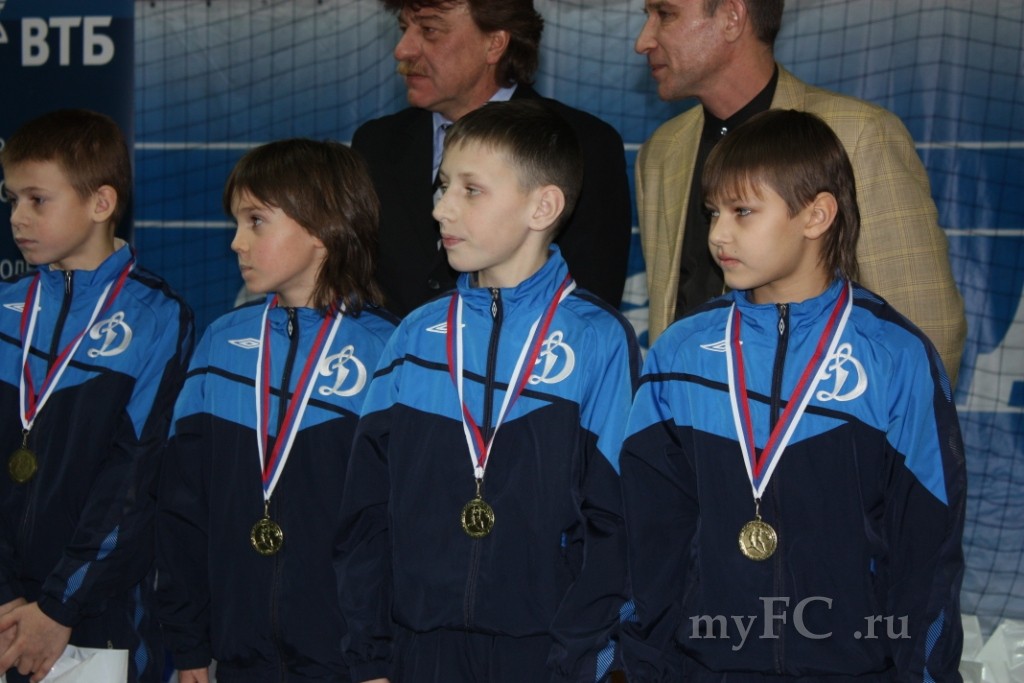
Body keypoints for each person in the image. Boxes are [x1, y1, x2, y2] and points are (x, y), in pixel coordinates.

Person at [619, 109, 966, 681]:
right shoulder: (681, 353)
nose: (718, 234)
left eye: (742, 211)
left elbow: (927, 555)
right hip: (705, 663)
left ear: (817, 216)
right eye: (712, 212)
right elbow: (647, 540)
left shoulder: (894, 357)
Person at [336, 99, 639, 683]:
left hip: (544, 656)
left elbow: (615, 523)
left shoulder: (597, 340)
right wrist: (371, 656)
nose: (441, 209)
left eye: (471, 190)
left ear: (542, 206)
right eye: (442, 185)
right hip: (418, 650)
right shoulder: (415, 336)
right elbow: (367, 508)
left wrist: (582, 659)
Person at [156, 139, 398, 683]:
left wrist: (377, 658)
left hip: (349, 665)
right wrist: (189, 645)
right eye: (237, 222)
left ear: (321, 228)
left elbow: (398, 527)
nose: (237, 242)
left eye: (256, 221)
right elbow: (182, 505)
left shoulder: (390, 354)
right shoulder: (221, 345)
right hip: (235, 659)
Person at [634, 0, 967, 385]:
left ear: (732, 17)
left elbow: (927, 330)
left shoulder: (856, 136)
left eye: (665, 14)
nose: (643, 41)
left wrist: (846, 419)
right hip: (692, 415)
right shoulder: (663, 152)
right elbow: (670, 317)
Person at [0, 109, 195, 683]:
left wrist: (59, 606)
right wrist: (7, 598)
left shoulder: (157, 318)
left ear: (101, 203)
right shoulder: (5, 310)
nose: (17, 217)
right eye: (12, 199)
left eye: (37, 200)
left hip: (98, 614)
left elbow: (134, 481)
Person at [352, 0, 632, 317]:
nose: (403, 50)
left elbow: (591, 304)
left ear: (494, 44)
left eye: (429, 30)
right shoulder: (375, 144)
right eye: (404, 29)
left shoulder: (583, 144)